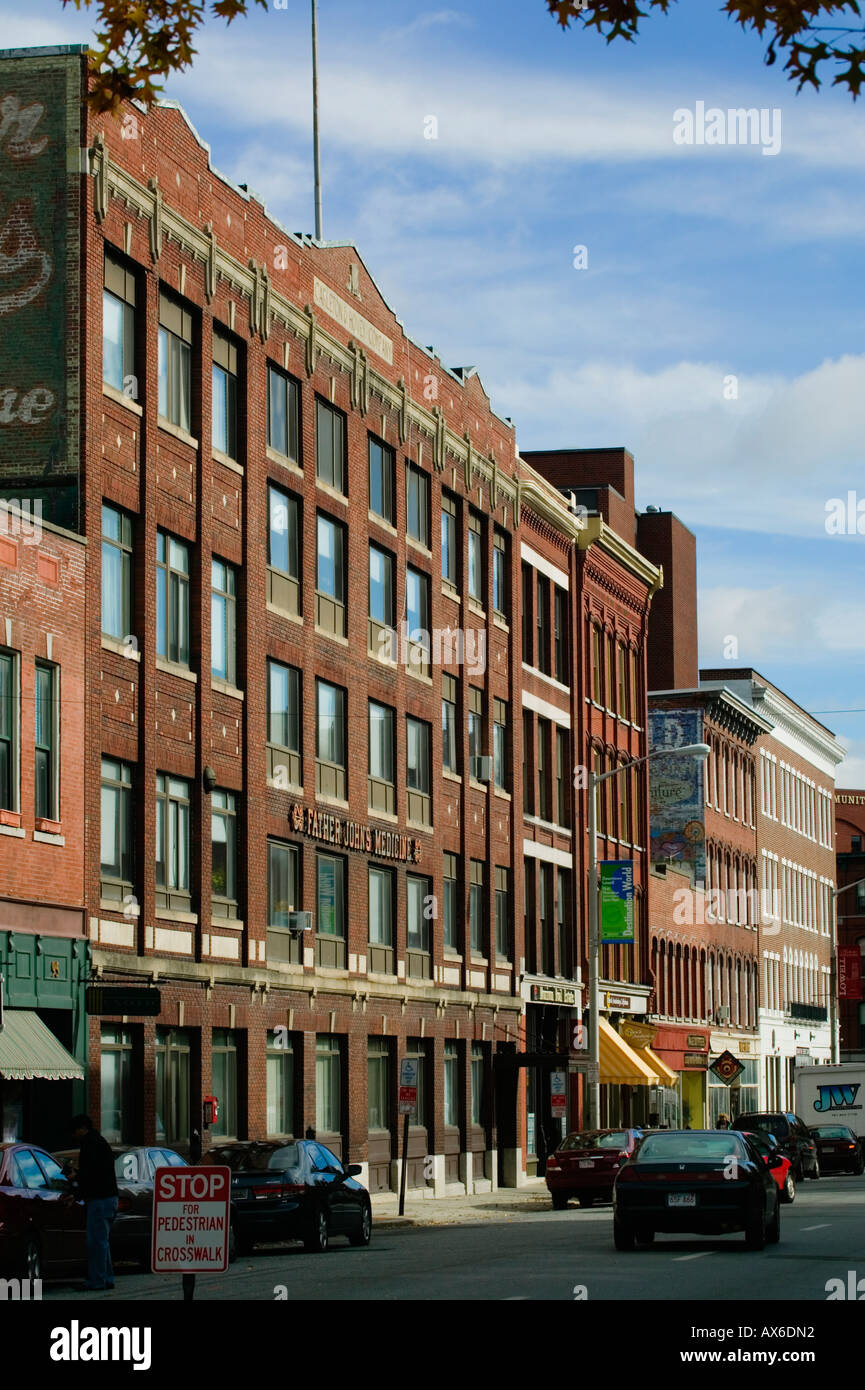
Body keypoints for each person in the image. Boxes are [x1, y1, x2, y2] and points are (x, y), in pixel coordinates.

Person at [69, 1114, 119, 1291]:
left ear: (82, 1128)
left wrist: (77, 1178)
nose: (74, 1135)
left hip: (99, 1199)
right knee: (102, 1241)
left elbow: (90, 1173)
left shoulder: (90, 1144)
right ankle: (106, 1278)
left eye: (75, 1131)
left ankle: (98, 1280)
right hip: (109, 1197)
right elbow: (98, 1171)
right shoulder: (100, 1142)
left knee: (96, 1242)